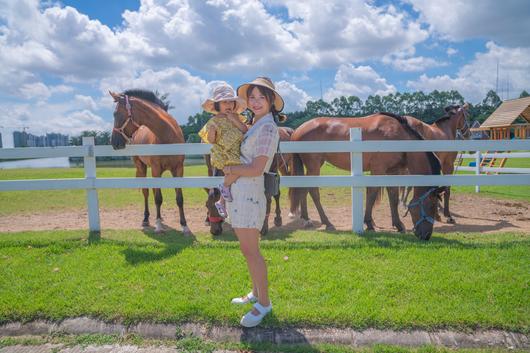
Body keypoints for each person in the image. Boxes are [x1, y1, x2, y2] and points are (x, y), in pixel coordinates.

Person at [223, 77, 286, 327]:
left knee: (252, 251)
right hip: (241, 195)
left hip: (249, 196)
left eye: (262, 97)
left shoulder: (268, 128)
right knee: (247, 250)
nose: (256, 102)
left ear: (271, 101)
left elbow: (258, 167)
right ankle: (256, 292)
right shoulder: (256, 124)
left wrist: (230, 170)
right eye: (252, 97)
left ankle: (264, 303)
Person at [198, 83, 248, 217]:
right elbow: (211, 141)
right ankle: (223, 196)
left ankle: (222, 199)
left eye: (231, 102)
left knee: (241, 169)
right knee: (235, 170)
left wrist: (235, 120)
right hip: (223, 153)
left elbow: (245, 130)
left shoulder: (237, 118)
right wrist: (212, 133)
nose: (228, 104)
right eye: (224, 102)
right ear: (217, 105)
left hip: (236, 152)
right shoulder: (213, 121)